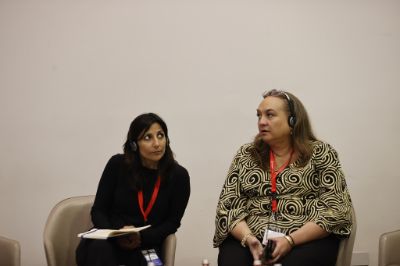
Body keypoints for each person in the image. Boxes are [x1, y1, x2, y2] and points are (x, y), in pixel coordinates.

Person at [213, 89, 353, 266]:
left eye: (270, 115)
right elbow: (228, 207)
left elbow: (336, 210)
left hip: (304, 239)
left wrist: (290, 240)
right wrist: (249, 238)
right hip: (252, 237)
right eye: (259, 116)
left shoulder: (321, 153)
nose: (261, 122)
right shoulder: (246, 154)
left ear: (293, 120)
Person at [76, 113, 191, 266]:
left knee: (153, 264)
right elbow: (99, 210)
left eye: (160, 135)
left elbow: (172, 222)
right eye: (148, 137)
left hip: (147, 244)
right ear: (134, 145)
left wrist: (141, 237)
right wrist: (118, 234)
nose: (157, 143)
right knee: (99, 250)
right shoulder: (117, 165)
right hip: (109, 241)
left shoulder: (179, 176)